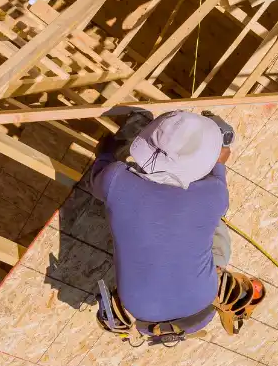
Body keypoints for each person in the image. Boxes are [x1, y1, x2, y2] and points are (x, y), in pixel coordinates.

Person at [89, 111, 237, 337]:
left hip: (196, 301)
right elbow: (218, 166)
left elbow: (101, 167)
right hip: (159, 313)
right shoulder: (216, 196)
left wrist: (105, 150)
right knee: (216, 228)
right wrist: (218, 159)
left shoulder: (114, 180)